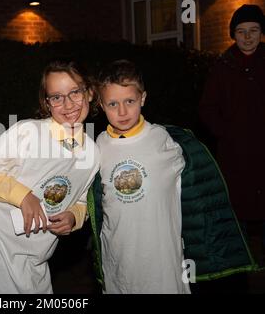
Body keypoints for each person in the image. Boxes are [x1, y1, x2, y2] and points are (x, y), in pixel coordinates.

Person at [88, 60, 256, 294]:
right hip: (118, 264)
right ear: (101, 105)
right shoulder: (98, 147)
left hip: (164, 266)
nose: (122, 111)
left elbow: (203, 193)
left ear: (143, 99)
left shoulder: (167, 141)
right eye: (113, 104)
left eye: (130, 101)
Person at [0, 60, 100, 293]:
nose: (67, 104)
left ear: (89, 93)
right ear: (46, 103)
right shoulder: (28, 132)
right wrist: (24, 196)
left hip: (35, 255)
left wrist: (74, 218)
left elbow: (80, 199)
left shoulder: (93, 153)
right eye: (56, 97)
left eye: (75, 92)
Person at [199, 4, 265, 267]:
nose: (247, 37)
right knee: (238, 208)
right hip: (235, 154)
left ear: (261, 33)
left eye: (253, 30)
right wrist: (226, 133)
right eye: (241, 31)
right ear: (233, 34)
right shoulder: (223, 66)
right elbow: (207, 107)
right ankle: (242, 259)